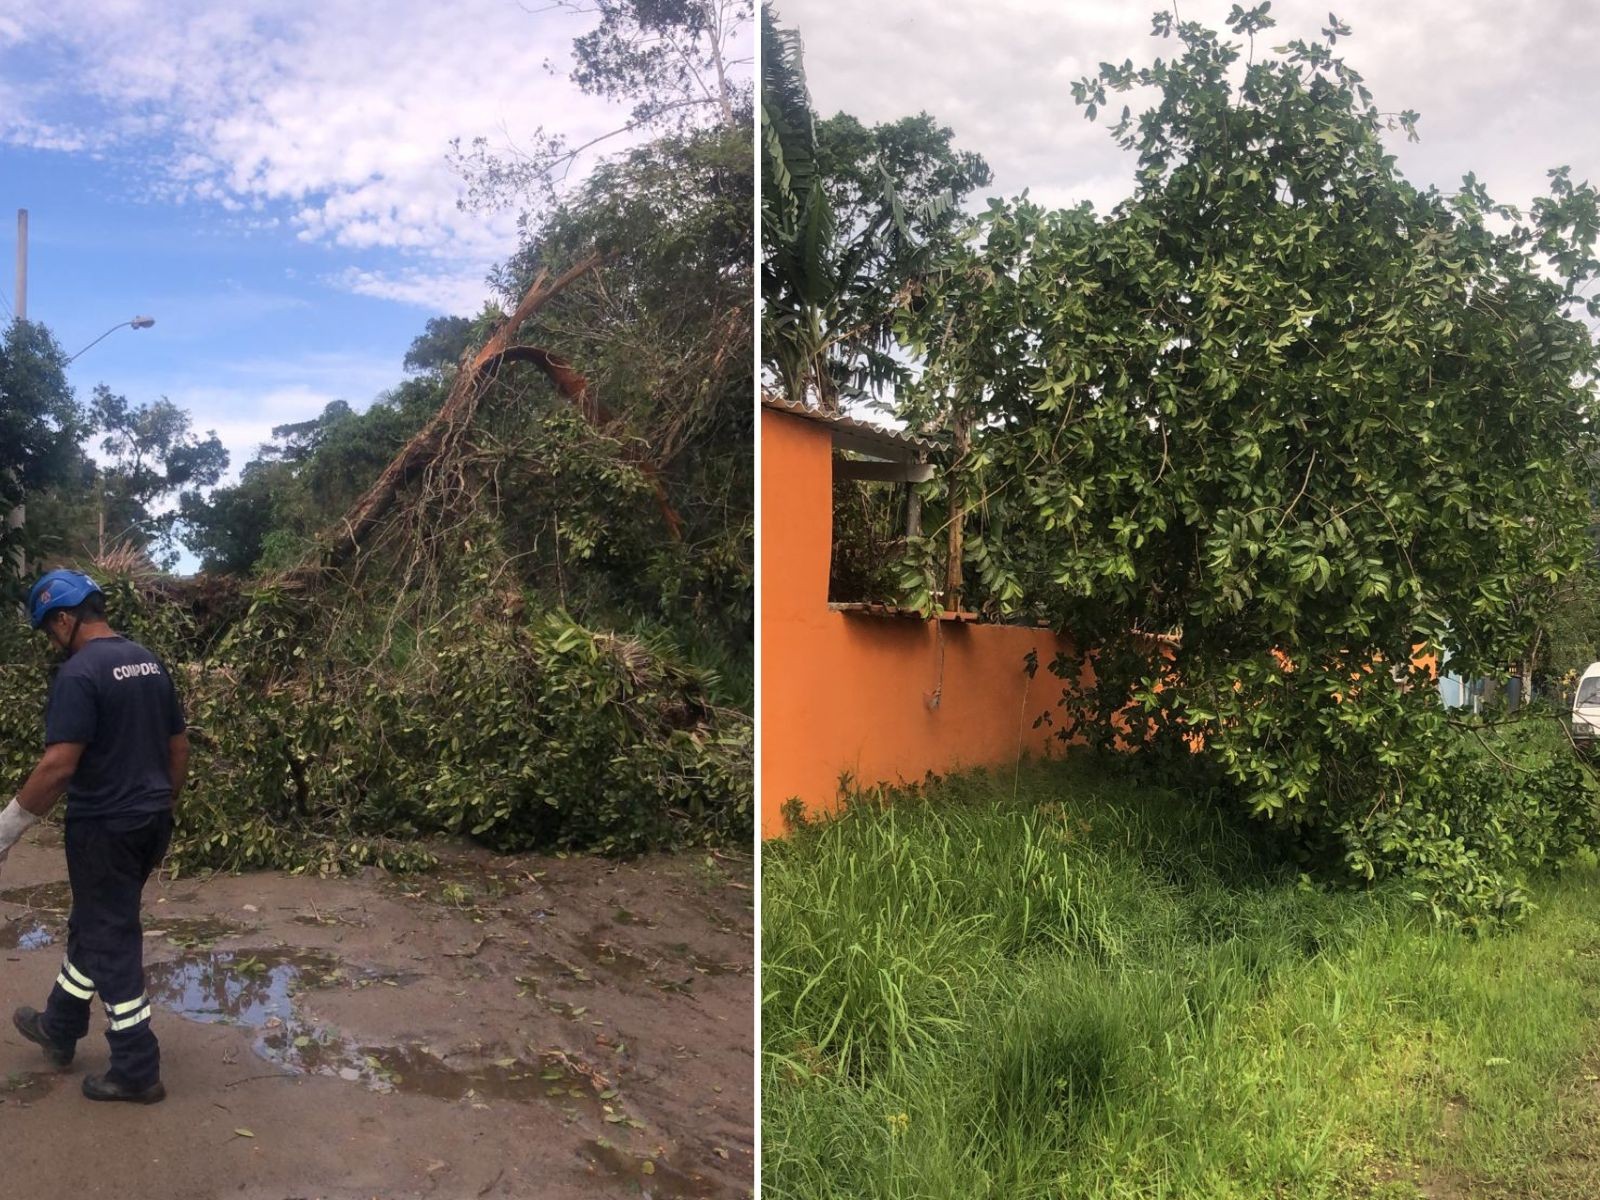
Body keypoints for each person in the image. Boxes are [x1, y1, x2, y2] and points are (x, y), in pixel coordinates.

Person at [0, 569, 189, 1104]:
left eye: (48, 629)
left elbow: (58, 766)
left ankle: (135, 1066)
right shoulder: (149, 661)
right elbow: (179, 747)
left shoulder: (80, 674)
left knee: (112, 936)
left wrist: (5, 830)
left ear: (64, 618)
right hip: (150, 822)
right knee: (95, 922)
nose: (51, 641)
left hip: (104, 828)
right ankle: (59, 1026)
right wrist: (160, 805)